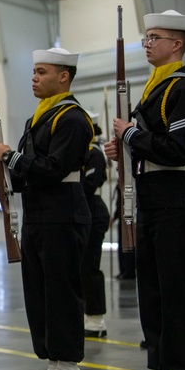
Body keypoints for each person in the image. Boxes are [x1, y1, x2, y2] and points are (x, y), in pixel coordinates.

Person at [105, 10, 185, 370]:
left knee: (177, 294)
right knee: (154, 294)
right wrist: (126, 147)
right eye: (146, 37)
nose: (148, 43)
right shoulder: (155, 88)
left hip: (176, 198)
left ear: (177, 44)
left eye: (156, 37)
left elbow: (178, 149)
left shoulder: (183, 88)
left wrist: (130, 134)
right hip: (153, 198)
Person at [0, 48, 93, 370]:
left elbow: (53, 168)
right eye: (33, 71)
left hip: (63, 212)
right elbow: (29, 170)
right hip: (39, 212)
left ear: (64, 77)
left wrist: (8, 156)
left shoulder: (73, 119)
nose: (34, 78)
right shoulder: (39, 117)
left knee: (61, 291)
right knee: (40, 291)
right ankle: (53, 362)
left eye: (42, 72)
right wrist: (4, 174)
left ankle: (69, 367)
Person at [82, 127, 110, 337]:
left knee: (90, 266)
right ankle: (85, 314)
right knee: (81, 267)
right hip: (81, 210)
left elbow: (89, 184)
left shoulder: (94, 153)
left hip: (93, 210)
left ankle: (96, 318)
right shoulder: (81, 151)